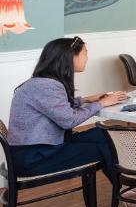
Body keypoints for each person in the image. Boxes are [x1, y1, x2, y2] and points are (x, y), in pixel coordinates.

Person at [7, 37, 125, 182]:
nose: (87, 58)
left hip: (40, 149)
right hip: (35, 157)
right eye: (85, 53)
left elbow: (54, 107)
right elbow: (69, 120)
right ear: (71, 57)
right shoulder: (47, 85)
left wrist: (85, 100)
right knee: (105, 148)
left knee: (104, 135)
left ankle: (128, 187)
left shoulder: (42, 82)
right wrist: (101, 103)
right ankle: (127, 188)